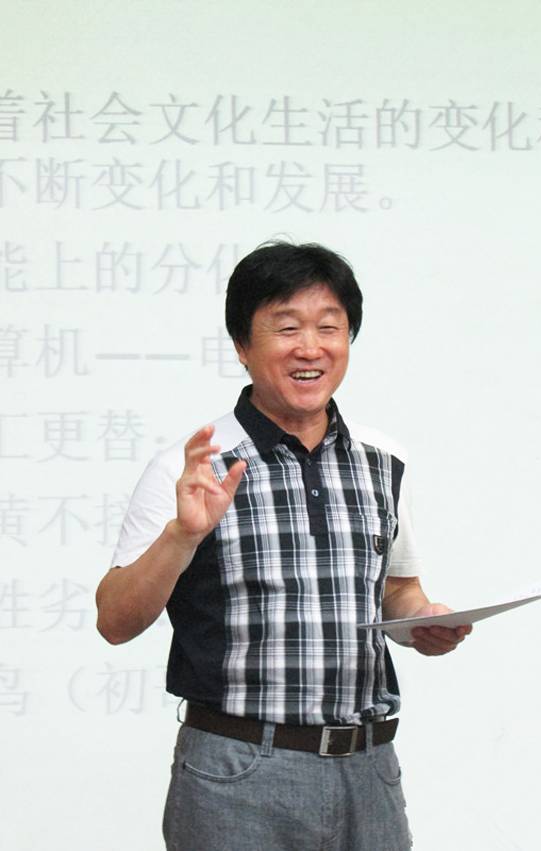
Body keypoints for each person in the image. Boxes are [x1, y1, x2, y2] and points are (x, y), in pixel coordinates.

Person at [96, 241, 471, 851]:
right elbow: (114, 621)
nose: (310, 347)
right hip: (237, 771)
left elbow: (399, 590)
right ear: (242, 346)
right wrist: (182, 535)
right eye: (287, 327)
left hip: (369, 769)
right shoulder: (192, 465)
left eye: (330, 327)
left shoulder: (381, 462)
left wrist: (423, 621)